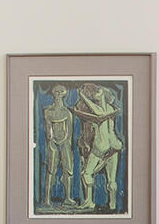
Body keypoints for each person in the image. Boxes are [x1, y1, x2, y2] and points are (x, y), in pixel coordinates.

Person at [71, 83, 125, 212]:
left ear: (103, 95)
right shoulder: (112, 108)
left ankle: (89, 201)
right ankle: (112, 204)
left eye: (98, 92)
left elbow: (97, 113)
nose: (95, 93)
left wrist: (83, 96)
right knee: (111, 179)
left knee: (86, 173)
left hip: (102, 145)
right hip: (115, 145)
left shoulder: (99, 109)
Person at [40, 84, 78, 207]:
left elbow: (69, 131)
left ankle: (68, 198)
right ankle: (47, 199)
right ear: (53, 93)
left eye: (61, 92)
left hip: (65, 142)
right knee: (51, 169)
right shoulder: (48, 111)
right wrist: (53, 141)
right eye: (56, 92)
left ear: (64, 94)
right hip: (53, 143)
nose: (58, 94)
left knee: (68, 169)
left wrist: (64, 141)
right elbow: (48, 130)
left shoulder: (67, 113)